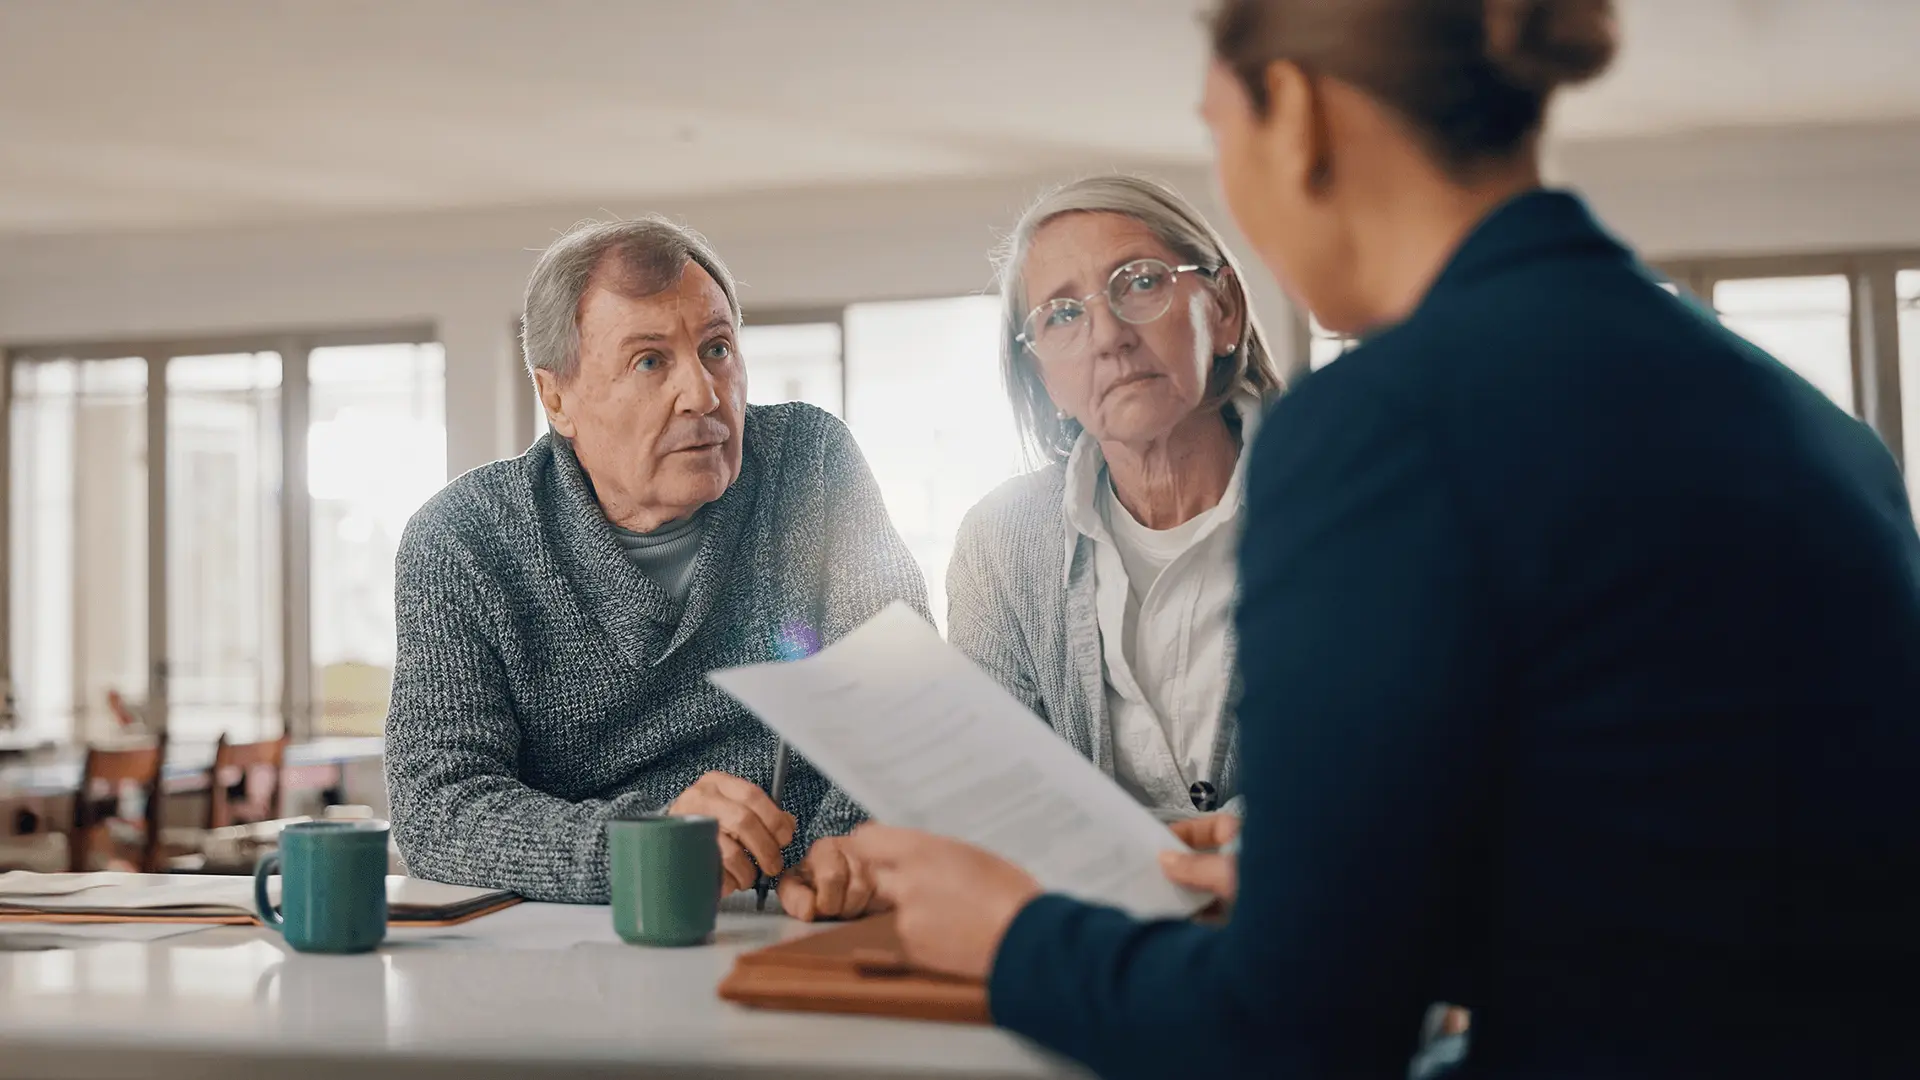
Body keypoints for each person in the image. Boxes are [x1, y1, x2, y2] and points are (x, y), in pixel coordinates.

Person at [847, 1, 1920, 1076]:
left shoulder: (1382, 427)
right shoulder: (1801, 416)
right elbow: (1685, 884)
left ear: (1298, 119)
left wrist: (1013, 939)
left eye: (1221, 134)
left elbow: (1295, 1041)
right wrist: (1335, 877)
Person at [385, 216, 926, 921]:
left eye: (717, 349)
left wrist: (842, 852)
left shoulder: (810, 463)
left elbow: (904, 708)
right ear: (558, 398)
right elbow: (439, 809)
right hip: (577, 934)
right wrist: (646, 845)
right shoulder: (462, 540)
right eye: (649, 361)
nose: (703, 394)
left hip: (804, 916)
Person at [947, 175, 1283, 820]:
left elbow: (1404, 750)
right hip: (1090, 914)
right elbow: (997, 793)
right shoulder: (1002, 542)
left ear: (1222, 310)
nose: (1108, 335)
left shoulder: (1343, 496)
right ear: (1042, 377)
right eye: (1064, 314)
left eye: (1140, 281)